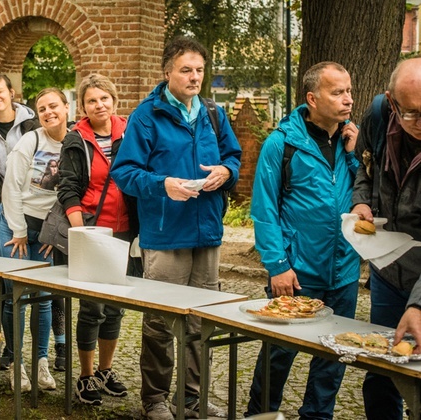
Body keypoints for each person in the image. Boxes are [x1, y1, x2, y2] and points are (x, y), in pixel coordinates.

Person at [111, 36, 241, 420]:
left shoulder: (214, 114)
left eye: (199, 70)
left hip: (207, 233)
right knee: (160, 322)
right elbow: (125, 172)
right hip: (166, 234)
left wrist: (226, 172)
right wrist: (162, 185)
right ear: (167, 72)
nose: (194, 77)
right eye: (186, 70)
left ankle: (193, 399)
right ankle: (154, 399)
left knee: (202, 323)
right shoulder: (146, 116)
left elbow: (233, 157)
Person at [244, 62, 360, 418]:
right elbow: (264, 210)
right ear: (312, 98)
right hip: (297, 271)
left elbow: (364, 197)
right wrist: (278, 265)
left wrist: (355, 156)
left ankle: (317, 416)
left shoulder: (350, 141)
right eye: (337, 92)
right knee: (279, 353)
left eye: (349, 91)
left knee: (334, 355)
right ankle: (260, 415)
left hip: (344, 270)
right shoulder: (282, 144)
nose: (348, 100)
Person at [57, 73, 137, 406]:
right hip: (93, 231)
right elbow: (68, 188)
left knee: (115, 307)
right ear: (83, 105)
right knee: (92, 307)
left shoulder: (130, 131)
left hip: (125, 232)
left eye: (103, 98)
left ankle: (105, 370)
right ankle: (86, 376)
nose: (98, 105)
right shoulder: (76, 139)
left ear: (113, 100)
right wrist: (83, 234)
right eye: (91, 100)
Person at [352, 58, 421, 419]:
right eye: (413, 114)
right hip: (388, 272)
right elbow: (364, 167)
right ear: (391, 102)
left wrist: (418, 305)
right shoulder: (378, 116)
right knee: (381, 371)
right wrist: (361, 201)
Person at [0, 87, 70, 393]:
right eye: (42, 109)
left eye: (54, 106)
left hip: (46, 227)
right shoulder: (31, 140)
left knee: (41, 297)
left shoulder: (75, 143)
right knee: (17, 296)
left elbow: (73, 193)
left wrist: (54, 232)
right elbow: (11, 187)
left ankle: (41, 362)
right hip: (15, 222)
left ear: (67, 108)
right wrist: (18, 231)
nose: (49, 112)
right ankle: (16, 364)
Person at [0, 73, 40, 367]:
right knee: (9, 283)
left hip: (35, 208)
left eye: (0, 91)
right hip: (3, 208)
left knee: (40, 286)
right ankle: (13, 353)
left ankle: (44, 356)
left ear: (11, 92)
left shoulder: (32, 123)